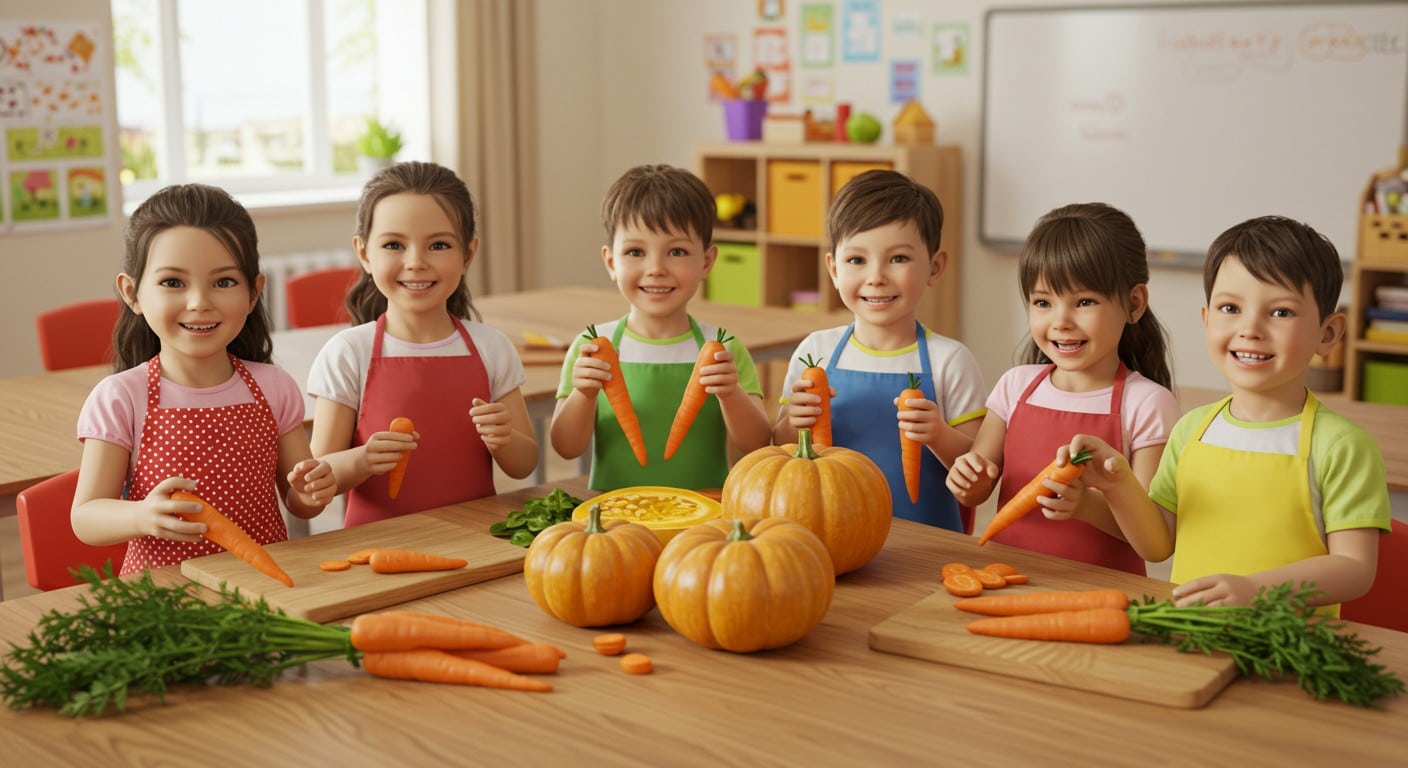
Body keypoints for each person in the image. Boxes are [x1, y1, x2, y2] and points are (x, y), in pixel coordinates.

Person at [1066, 216, 1390, 610]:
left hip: (1293, 643)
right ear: (1207, 321)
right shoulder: (1191, 429)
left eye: (1281, 312)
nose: (1250, 328)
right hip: (1193, 632)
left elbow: (1355, 568)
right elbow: (1157, 545)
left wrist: (1256, 590)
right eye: (1230, 308)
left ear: (1328, 334)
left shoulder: (1342, 445)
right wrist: (1115, 486)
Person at [72, 183, 336, 572]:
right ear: (132, 293)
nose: (199, 302)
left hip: (262, 587)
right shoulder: (121, 397)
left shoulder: (274, 386)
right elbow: (85, 517)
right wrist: (141, 515)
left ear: (254, 292)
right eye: (173, 282)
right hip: (162, 597)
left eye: (223, 282)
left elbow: (298, 502)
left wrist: (313, 492)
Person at [946, 203, 1178, 573]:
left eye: (1084, 302)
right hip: (1005, 578)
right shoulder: (1014, 386)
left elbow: (1154, 540)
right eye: (1043, 302)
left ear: (1133, 304)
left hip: (1101, 596)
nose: (1061, 321)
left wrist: (1087, 505)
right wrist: (967, 477)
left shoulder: (1147, 403)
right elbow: (978, 490)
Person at [308, 161, 537, 526]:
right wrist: (361, 460)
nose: (416, 262)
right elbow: (317, 478)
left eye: (439, 245)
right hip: (377, 548)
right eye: (394, 245)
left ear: (468, 254)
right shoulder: (348, 353)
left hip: (477, 540)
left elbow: (524, 465)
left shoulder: (492, 347)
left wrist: (505, 437)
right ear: (364, 253)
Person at [775, 169, 985, 531]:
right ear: (834, 269)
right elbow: (779, 449)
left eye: (898, 259)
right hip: (830, 535)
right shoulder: (815, 351)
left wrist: (937, 434)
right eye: (857, 260)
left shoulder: (950, 361)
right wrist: (794, 423)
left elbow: (980, 478)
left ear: (935, 267)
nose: (876, 277)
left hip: (927, 546)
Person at [550, 164, 771, 490]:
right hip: (616, 512)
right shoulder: (593, 346)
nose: (656, 268)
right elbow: (566, 447)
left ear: (706, 262)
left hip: (705, 511)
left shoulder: (723, 347)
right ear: (611, 262)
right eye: (635, 252)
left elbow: (757, 445)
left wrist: (731, 393)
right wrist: (583, 394)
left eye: (677, 252)